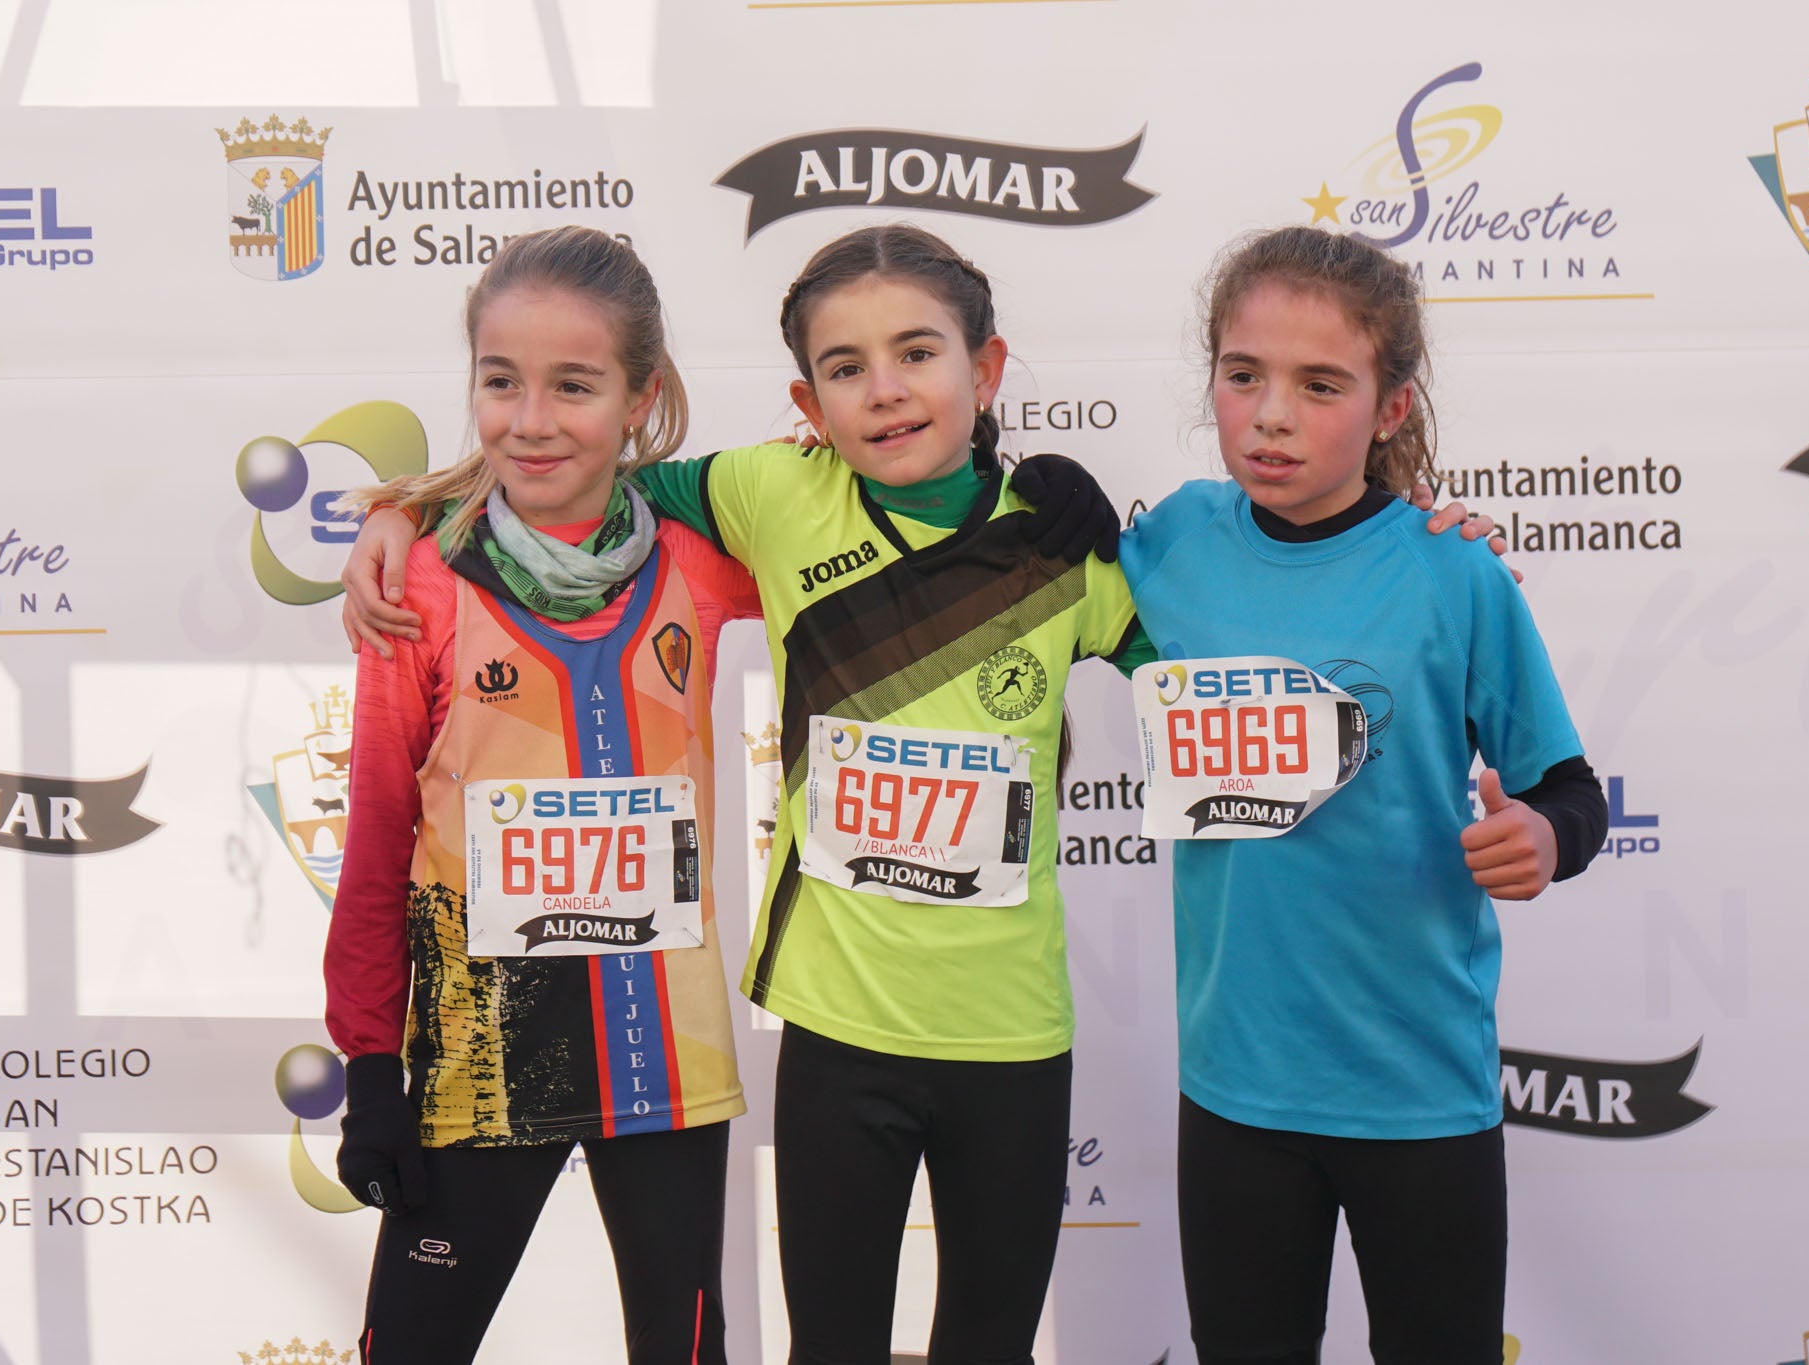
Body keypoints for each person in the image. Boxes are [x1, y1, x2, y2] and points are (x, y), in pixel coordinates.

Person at [338, 224, 1507, 1365]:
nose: (885, 392)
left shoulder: (1065, 552)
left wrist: (1407, 538)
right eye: (845, 369)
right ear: (807, 408)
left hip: (996, 1038)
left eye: (917, 355)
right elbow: (571, 467)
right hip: (810, 1031)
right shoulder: (760, 500)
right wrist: (399, 513)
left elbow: (1226, 624)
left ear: (985, 369)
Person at [1117, 226, 1607, 1365]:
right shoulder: (1171, 543)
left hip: (1416, 1087)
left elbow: (1566, 790)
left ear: (1390, 410)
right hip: (1235, 1087)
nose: (1270, 414)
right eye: (1241, 376)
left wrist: (1541, 835)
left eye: (1318, 385)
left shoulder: (1453, 570)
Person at [323, 226, 758, 1364]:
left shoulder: (704, 565)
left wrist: (1013, 479)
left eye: (574, 385)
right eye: (499, 381)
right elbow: (375, 841)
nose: (529, 419)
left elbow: (867, 529)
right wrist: (370, 1064)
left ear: (638, 397)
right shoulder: (416, 580)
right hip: (483, 1051)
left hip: (667, 1050)